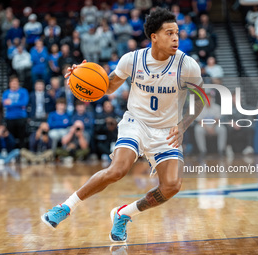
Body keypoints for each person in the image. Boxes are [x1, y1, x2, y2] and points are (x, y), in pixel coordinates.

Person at [41, 7, 204, 243]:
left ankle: (124, 214)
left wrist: (184, 124)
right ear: (154, 37)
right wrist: (81, 76)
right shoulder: (133, 59)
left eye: (177, 32)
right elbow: (106, 87)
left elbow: (201, 99)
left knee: (172, 186)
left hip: (167, 131)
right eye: (169, 33)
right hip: (135, 123)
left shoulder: (187, 65)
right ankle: (65, 207)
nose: (176, 37)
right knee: (117, 170)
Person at [2, 75, 29, 148]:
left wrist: (11, 103)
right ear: (9, 83)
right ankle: (12, 152)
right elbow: (5, 104)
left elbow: (24, 103)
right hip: (10, 118)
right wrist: (17, 104)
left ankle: (22, 152)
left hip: (21, 117)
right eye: (12, 82)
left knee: (22, 137)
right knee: (10, 137)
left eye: (15, 82)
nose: (14, 84)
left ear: (18, 83)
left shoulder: (23, 91)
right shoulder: (6, 93)